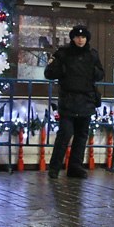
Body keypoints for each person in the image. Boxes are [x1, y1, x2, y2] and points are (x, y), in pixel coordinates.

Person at [44, 25, 104, 179]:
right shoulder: (63, 54)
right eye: (77, 37)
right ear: (72, 38)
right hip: (69, 100)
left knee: (81, 135)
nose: (80, 40)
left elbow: (100, 74)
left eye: (83, 37)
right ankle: (55, 167)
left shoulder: (92, 55)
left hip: (86, 100)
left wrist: (92, 71)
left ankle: (75, 167)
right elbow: (49, 73)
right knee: (65, 134)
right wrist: (62, 70)